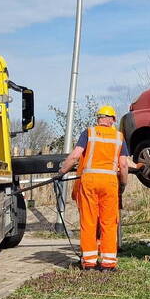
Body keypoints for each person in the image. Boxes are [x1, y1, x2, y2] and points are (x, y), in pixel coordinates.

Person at [56, 105, 130, 271]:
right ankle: (108, 263)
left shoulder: (89, 133)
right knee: (109, 223)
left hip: (89, 181)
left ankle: (89, 262)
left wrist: (61, 172)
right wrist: (123, 184)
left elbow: (75, 156)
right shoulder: (119, 137)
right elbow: (124, 165)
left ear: (99, 118)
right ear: (112, 120)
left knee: (88, 221)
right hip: (110, 182)